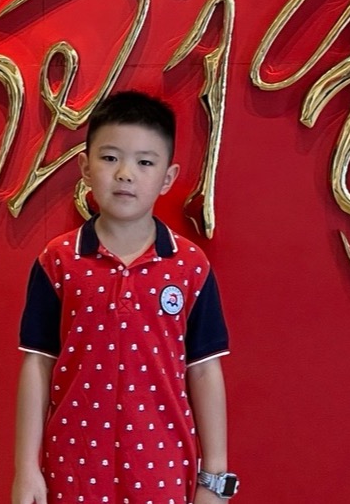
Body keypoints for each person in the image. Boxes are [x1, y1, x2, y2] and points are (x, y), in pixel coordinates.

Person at [13, 90, 238, 504]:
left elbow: (205, 372)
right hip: (72, 469)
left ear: (167, 177)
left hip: (163, 471)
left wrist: (215, 479)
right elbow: (37, 365)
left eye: (145, 162)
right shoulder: (57, 261)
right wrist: (26, 469)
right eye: (110, 157)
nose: (125, 174)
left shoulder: (190, 266)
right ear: (85, 167)